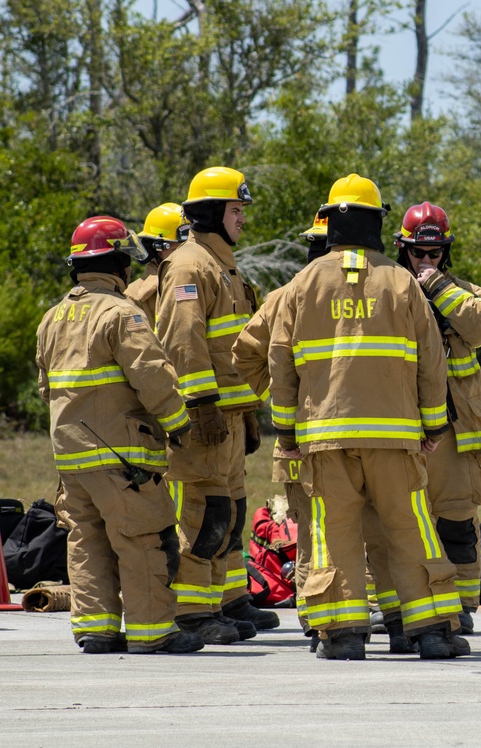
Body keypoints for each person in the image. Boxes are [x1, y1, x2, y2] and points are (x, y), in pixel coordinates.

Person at [259, 173, 467, 660]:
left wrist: (287, 431)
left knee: (334, 535)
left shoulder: (301, 284)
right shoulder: (401, 281)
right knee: (411, 527)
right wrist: (433, 424)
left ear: (331, 223)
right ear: (377, 223)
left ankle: (344, 635)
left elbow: (280, 362)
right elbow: (432, 361)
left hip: (325, 440)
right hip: (396, 440)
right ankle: (432, 631)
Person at [35, 215, 203, 655]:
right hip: (120, 455)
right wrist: (178, 423)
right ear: (118, 265)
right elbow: (152, 376)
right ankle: (153, 632)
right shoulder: (121, 312)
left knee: (86, 540)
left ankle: (96, 630)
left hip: (70, 458)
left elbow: (45, 387)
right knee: (141, 538)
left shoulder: (52, 318)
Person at [155, 166, 276, 645]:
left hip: (227, 417)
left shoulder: (221, 263)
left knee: (228, 516)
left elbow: (232, 350)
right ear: (210, 212)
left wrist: (244, 411)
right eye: (236, 209)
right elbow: (184, 342)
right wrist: (201, 404)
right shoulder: (190, 265)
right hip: (205, 419)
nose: (243, 218)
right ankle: (191, 613)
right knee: (203, 518)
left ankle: (222, 603)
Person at [394, 201, 481, 634]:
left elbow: (480, 327)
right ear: (402, 249)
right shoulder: (387, 292)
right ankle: (400, 606)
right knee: (397, 521)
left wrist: (437, 285)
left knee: (458, 523)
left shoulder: (463, 292)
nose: (424, 260)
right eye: (417, 254)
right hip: (403, 427)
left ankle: (459, 609)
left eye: (433, 253)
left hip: (457, 434)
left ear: (445, 253)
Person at [125, 202, 190, 321]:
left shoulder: (205, 281)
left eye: (188, 248)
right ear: (155, 249)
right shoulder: (134, 297)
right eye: (175, 250)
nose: (184, 256)